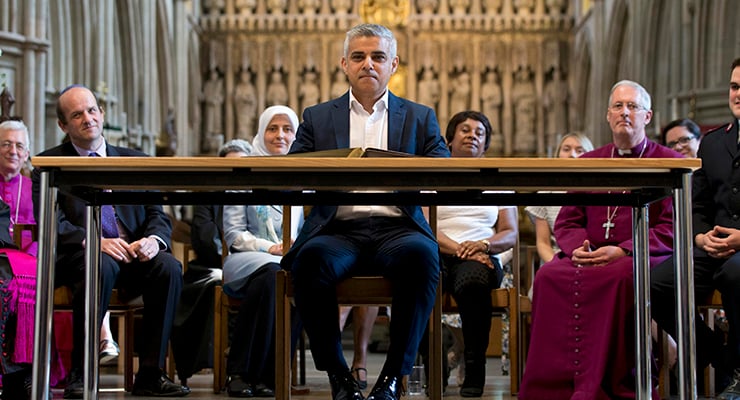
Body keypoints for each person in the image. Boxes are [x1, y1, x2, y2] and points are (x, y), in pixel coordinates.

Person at [283, 23, 450, 400]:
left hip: (398, 227)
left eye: (378, 57)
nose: (368, 64)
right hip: (338, 228)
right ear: (344, 64)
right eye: (358, 56)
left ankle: (391, 378)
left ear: (394, 64)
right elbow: (292, 172)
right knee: (308, 262)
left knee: (424, 257)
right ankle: (340, 377)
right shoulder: (318, 117)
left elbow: (444, 169)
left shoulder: (420, 117)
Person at [519, 80, 681, 399]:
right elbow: (568, 219)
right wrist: (580, 247)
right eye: (618, 106)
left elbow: (669, 227)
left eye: (632, 106)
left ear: (647, 116)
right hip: (589, 253)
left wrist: (623, 250)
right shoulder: (590, 161)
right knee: (549, 275)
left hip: (638, 256)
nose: (625, 113)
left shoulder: (667, 161)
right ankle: (551, 387)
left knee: (621, 278)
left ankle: (613, 382)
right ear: (607, 115)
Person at [31, 85, 190, 398]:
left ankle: (150, 373)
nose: (87, 118)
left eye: (91, 110)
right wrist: (93, 241)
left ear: (102, 114)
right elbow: (52, 223)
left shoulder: (135, 160)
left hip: (133, 255)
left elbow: (158, 215)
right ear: (63, 125)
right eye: (77, 115)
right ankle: (81, 373)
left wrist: (153, 241)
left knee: (169, 267)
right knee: (99, 265)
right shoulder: (47, 165)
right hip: (80, 257)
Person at [651, 58, 740, 399]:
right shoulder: (714, 142)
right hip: (713, 244)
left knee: (735, 276)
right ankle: (718, 353)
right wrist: (701, 235)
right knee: (655, 284)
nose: (737, 93)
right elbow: (698, 204)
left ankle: (738, 372)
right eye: (734, 86)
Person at [222, 106, 303, 397]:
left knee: (304, 277)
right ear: (261, 131)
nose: (280, 135)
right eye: (273, 128)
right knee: (272, 275)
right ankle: (242, 371)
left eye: (287, 129)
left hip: (289, 259)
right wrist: (269, 247)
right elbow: (233, 233)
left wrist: (297, 247)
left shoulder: (303, 177)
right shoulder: (244, 172)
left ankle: (272, 374)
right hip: (247, 259)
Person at [438, 111, 518, 397]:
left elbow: (510, 233)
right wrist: (462, 249)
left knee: (473, 281)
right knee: (419, 275)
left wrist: (483, 246)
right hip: (438, 249)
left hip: (482, 255)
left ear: (485, 145)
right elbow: (423, 223)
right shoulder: (431, 174)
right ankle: (432, 360)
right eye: (465, 129)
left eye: (480, 132)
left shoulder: (497, 180)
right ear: (449, 140)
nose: (473, 135)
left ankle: (474, 366)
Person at [170, 139, 254, 385]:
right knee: (215, 282)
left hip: (251, 263)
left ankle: (242, 357)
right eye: (230, 167)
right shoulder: (209, 197)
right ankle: (215, 356)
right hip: (212, 264)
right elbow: (205, 236)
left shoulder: (256, 196)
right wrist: (226, 258)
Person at [0, 120, 66, 399]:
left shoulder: (35, 186)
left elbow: (49, 226)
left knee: (24, 279)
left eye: (19, 145)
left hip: (30, 259)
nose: (13, 150)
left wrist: (33, 254)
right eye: (5, 144)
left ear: (27, 153)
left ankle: (27, 373)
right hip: (2, 262)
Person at [524, 133, 594, 265]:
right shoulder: (546, 193)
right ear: (558, 154)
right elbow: (543, 243)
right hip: (556, 260)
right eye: (566, 149)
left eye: (579, 150)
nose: (572, 155)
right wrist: (557, 265)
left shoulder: (599, 191)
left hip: (593, 260)